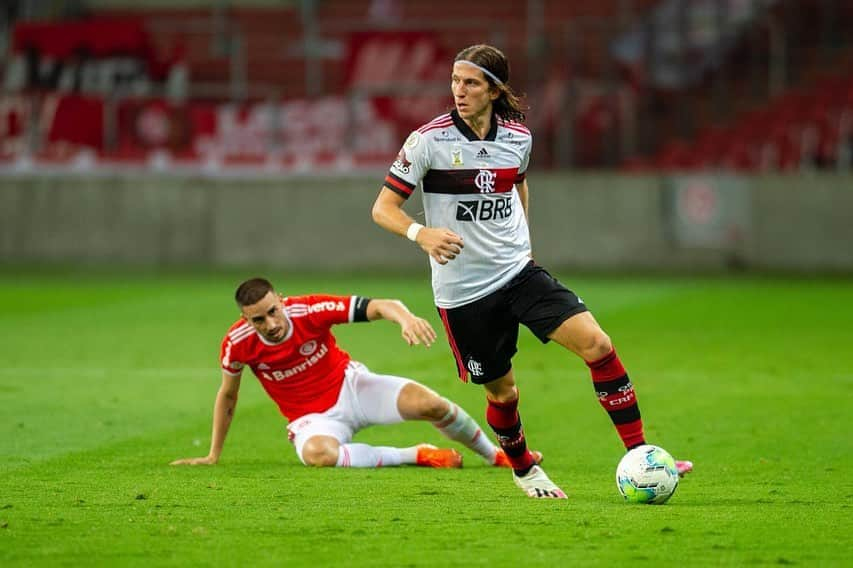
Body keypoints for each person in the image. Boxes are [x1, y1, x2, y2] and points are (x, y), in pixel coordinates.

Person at [371, 44, 692, 498]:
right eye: (455, 82)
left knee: (598, 345)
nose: (458, 91)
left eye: (470, 83)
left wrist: (521, 241)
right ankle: (524, 469)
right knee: (503, 394)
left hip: (518, 273)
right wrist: (420, 234)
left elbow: (519, 186)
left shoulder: (518, 138)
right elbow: (383, 208)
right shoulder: (428, 140)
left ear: (495, 90)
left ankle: (641, 455)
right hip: (464, 294)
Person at [171, 277, 537, 470]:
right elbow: (228, 396)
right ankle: (416, 455)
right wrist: (213, 453)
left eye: (272, 311)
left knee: (431, 404)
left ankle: (494, 455)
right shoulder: (237, 344)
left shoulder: (309, 310)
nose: (269, 323)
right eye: (258, 319)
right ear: (244, 319)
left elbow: (382, 305)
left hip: (351, 387)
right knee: (319, 456)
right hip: (310, 419)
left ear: (281, 300)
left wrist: (405, 319)